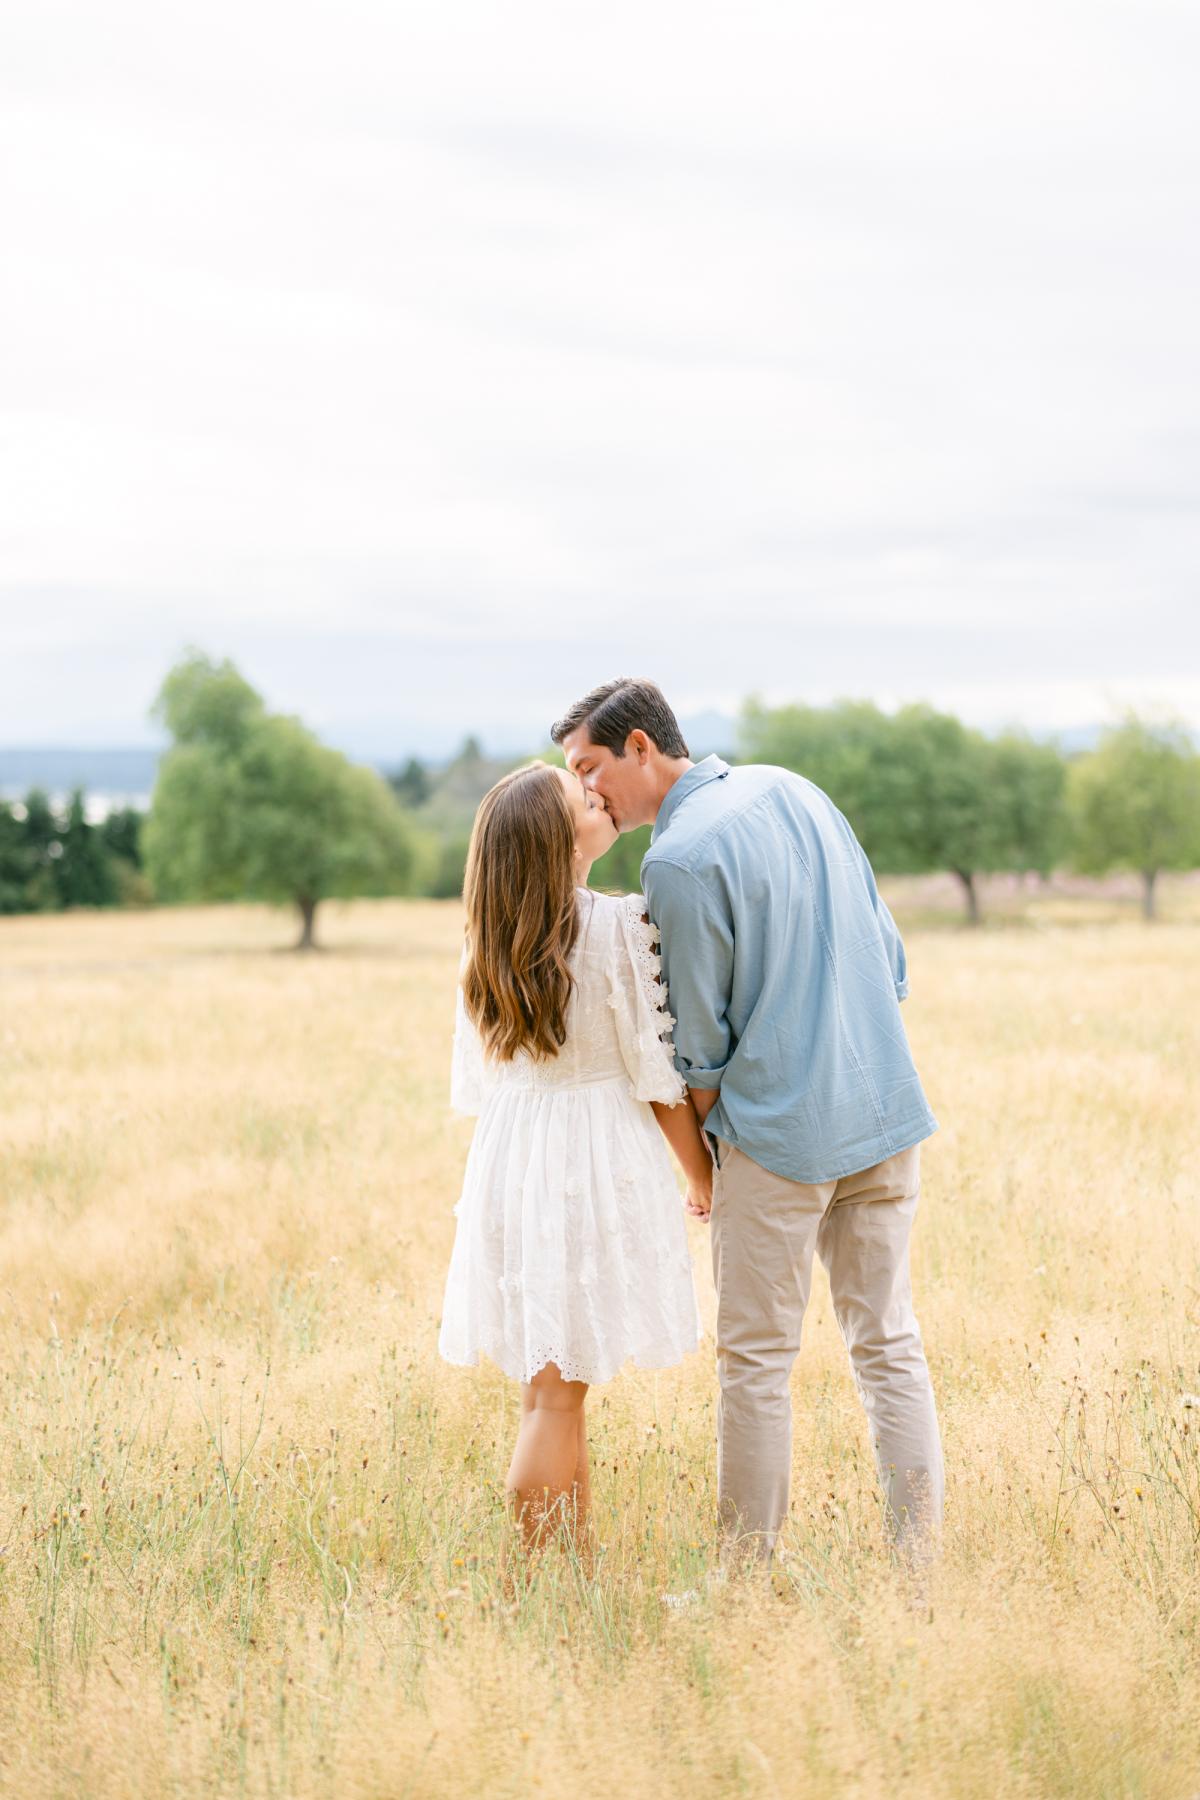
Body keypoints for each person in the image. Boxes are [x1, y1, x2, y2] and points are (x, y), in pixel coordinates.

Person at [552, 678, 944, 1566]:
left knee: (755, 1368)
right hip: (885, 1110)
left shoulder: (676, 861)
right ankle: (920, 1578)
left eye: (589, 767)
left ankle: (741, 1587)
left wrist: (708, 1165)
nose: (587, 792)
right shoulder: (797, 788)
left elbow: (698, 1044)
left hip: (774, 1142)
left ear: (641, 746)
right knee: (889, 1345)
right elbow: (890, 957)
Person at [438, 760, 711, 1561]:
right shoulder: (615, 928)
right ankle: (540, 1583)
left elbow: (479, 1081)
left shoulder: (484, 944)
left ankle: (573, 1569)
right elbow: (657, 1079)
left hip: (513, 1160)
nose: (596, 799)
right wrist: (701, 1176)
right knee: (556, 1399)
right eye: (580, 800)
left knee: (550, 1391)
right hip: (580, 1164)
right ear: (554, 843)